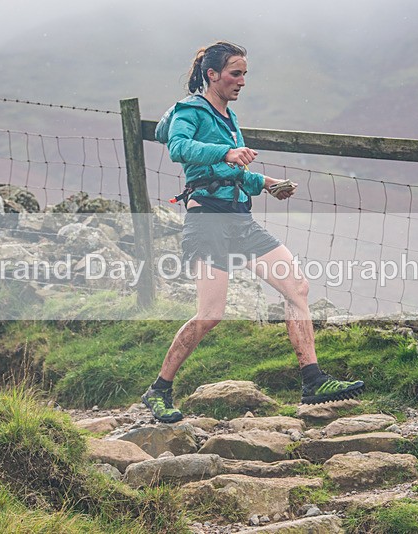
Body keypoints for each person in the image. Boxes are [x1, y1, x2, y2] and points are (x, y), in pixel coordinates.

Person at [142, 41, 364, 423]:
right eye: (235, 73)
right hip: (207, 219)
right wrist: (225, 153)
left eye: (244, 74)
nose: (242, 81)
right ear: (212, 74)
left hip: (239, 217)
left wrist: (266, 183)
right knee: (210, 314)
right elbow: (179, 148)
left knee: (296, 287)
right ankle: (158, 389)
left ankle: (313, 380)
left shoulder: (229, 118)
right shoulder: (190, 110)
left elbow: (235, 171)